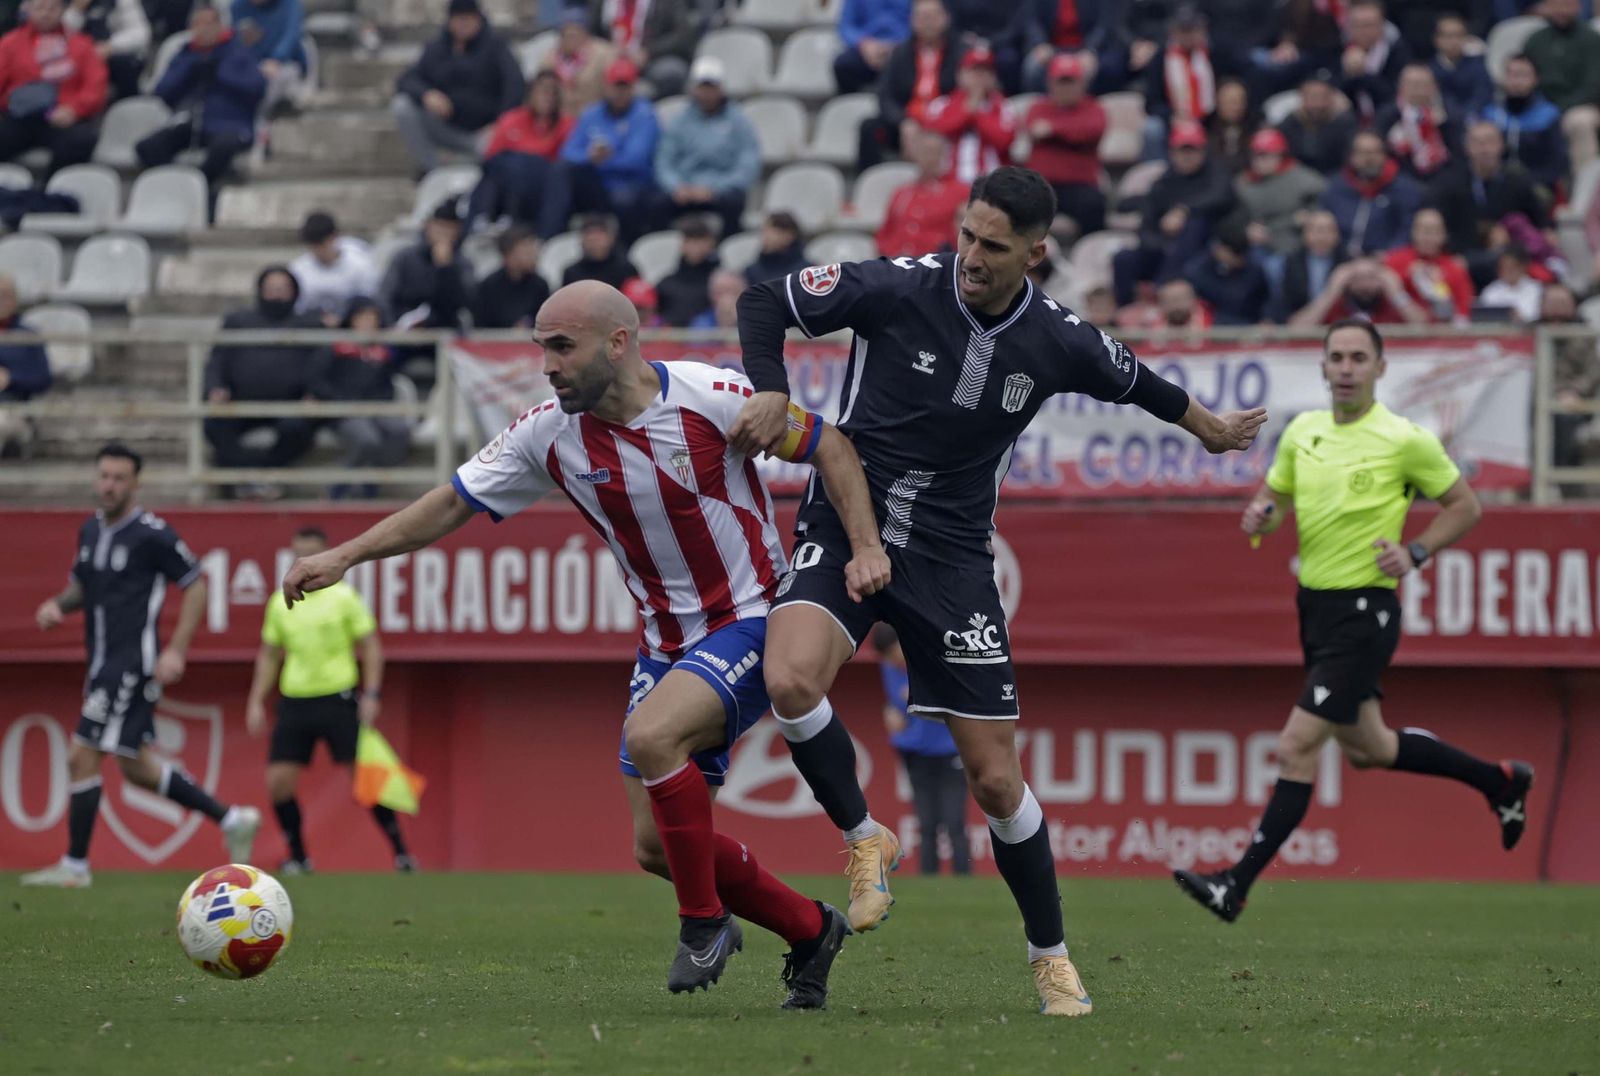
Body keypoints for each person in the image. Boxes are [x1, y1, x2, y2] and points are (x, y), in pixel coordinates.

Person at [727, 166, 1267, 1016]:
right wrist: (770, 387)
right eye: (967, 235)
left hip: (952, 560)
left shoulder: (1056, 338)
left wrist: (1210, 430)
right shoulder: (896, 286)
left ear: (1036, 254)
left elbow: (1138, 381)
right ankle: (864, 835)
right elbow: (765, 300)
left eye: (994, 246)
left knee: (994, 779)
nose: (971, 256)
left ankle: (1050, 957)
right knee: (788, 677)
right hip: (848, 517)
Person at [281, 279, 886, 1007]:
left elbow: (832, 448)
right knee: (656, 848)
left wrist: (864, 549)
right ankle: (808, 928)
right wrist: (344, 556)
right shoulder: (547, 431)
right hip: (663, 644)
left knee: (654, 737)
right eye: (542, 350)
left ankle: (704, 923)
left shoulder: (713, 395)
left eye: (562, 347)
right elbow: (450, 504)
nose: (548, 365)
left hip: (754, 614)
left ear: (619, 342)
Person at [1174, 320, 1533, 922]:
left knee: (1296, 745)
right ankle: (1501, 782)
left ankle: (1234, 885)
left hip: (1367, 609)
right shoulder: (1304, 432)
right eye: (1336, 356)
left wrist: (1415, 552)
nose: (1345, 367)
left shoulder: (1403, 438)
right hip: (1315, 608)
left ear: (1380, 368)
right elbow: (1274, 496)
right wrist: (1262, 515)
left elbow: (1464, 505)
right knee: (1370, 748)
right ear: (1323, 367)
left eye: (1357, 357)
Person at [21, 444, 262, 888]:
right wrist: (58, 605)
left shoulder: (152, 534)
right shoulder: (90, 531)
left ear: (136, 484)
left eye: (118, 478)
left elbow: (195, 584)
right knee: (137, 767)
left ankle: (75, 867)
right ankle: (232, 819)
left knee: (81, 756)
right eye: (104, 476)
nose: (109, 485)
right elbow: (83, 584)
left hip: (128, 665)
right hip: (100, 662)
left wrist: (178, 649)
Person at [246, 524, 413, 871]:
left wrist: (372, 693)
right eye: (296, 554)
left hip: (337, 699)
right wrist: (255, 699)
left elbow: (370, 646)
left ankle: (400, 852)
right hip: (295, 700)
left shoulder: (344, 598)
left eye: (308, 554)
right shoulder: (280, 602)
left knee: (365, 780)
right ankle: (299, 858)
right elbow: (269, 654)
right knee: (278, 783)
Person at [204, 266, 321, 489]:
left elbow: (322, 365)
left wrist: (314, 393)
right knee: (214, 423)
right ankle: (246, 477)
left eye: (283, 288)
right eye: (271, 288)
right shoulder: (237, 322)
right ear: (260, 290)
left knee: (298, 429)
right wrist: (215, 387)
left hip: (291, 405)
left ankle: (262, 475)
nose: (277, 293)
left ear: (294, 291)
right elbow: (217, 360)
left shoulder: (310, 324)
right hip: (240, 402)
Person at [874, 624, 970, 876]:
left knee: (954, 822)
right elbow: (896, 704)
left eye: (893, 652)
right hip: (914, 751)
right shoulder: (888, 667)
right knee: (926, 823)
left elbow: (955, 694)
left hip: (949, 750)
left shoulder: (932, 658)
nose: (891, 660)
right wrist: (891, 712)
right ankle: (929, 880)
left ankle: (965, 881)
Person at [391, 0, 524, 178]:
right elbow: (406, 79)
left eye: (468, 18)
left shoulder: (496, 47)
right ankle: (432, 171)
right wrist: (426, 94)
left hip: (484, 132)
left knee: (497, 160)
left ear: (478, 19)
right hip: (446, 126)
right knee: (403, 106)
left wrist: (500, 123)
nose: (463, 24)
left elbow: (515, 86)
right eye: (459, 19)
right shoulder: (437, 47)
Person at [137, 3, 265, 187]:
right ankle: (176, 185)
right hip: (193, 122)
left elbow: (258, 88)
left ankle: (200, 185)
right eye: (198, 24)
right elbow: (162, 91)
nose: (204, 29)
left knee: (223, 148)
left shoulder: (237, 52)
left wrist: (221, 74)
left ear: (220, 26)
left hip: (231, 124)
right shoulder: (186, 54)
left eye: (209, 23)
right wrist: (189, 71)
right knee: (148, 147)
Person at [1111, 119, 1236, 305]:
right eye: (1182, 150)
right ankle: (1124, 314)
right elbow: (1147, 222)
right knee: (1123, 259)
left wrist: (1184, 210)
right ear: (1172, 152)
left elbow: (1222, 196)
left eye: (1192, 150)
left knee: (1194, 224)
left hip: (1203, 252)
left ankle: (1165, 288)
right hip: (1162, 249)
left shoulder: (1215, 175)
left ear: (1203, 151)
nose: (1187, 156)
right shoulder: (1165, 182)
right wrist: (1160, 244)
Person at [306, 296, 408, 494]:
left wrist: (380, 404)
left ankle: (372, 480)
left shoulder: (384, 353)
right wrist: (340, 401)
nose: (368, 323)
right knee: (367, 439)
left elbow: (388, 385)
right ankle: (339, 485)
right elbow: (315, 380)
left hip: (376, 409)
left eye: (373, 318)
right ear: (352, 319)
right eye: (363, 317)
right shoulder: (334, 348)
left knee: (399, 431)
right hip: (342, 410)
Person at [650, 56, 758, 241]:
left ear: (721, 88)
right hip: (685, 190)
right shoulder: (680, 120)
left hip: (719, 191)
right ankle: (669, 250)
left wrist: (715, 188)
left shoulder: (738, 121)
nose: (707, 93)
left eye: (711, 87)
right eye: (702, 87)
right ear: (694, 89)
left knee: (734, 203)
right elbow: (664, 160)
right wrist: (676, 186)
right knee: (654, 204)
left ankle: (726, 249)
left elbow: (748, 163)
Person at [1429, 122, 1548, 284]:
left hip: (1509, 260)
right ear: (1467, 147)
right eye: (1478, 143)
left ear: (1501, 145)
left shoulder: (1519, 182)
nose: (1485, 149)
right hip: (1463, 257)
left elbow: (1540, 225)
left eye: (1490, 142)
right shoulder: (1449, 184)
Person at [0, 0, 108, 175]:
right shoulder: (9, 43)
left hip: (64, 119)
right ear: (28, 10)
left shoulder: (82, 44)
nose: (46, 13)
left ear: (62, 11)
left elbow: (95, 87)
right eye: (40, 8)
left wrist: (75, 110)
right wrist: (12, 103)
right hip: (21, 118)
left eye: (52, 8)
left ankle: (50, 192)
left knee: (82, 139)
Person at [560, 57, 659, 242]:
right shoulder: (592, 113)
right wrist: (589, 156)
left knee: (624, 200)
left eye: (625, 87)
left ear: (633, 88)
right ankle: (551, 236)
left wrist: (604, 159)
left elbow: (637, 160)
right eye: (616, 86)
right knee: (562, 173)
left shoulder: (645, 114)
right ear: (606, 87)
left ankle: (626, 248)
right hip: (596, 182)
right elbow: (568, 152)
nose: (620, 93)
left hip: (631, 184)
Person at [470, 70, 575, 239]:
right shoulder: (511, 119)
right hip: (507, 184)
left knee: (518, 164)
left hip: (542, 188)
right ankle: (482, 218)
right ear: (531, 93)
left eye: (553, 92)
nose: (548, 97)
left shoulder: (567, 125)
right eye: (543, 91)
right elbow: (491, 160)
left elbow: (562, 164)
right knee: (495, 173)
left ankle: (503, 217)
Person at [859, 0, 960, 171]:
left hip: (947, 122)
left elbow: (964, 94)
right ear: (912, 20)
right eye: (921, 16)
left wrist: (939, 123)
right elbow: (885, 95)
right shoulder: (900, 53)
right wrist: (903, 121)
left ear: (946, 18)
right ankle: (867, 180)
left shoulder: (961, 51)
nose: (927, 22)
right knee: (870, 127)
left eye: (933, 16)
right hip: (908, 122)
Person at [1022, 53, 1106, 237]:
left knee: (1094, 204)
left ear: (1082, 84)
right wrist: (1069, 133)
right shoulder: (1039, 107)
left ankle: (1089, 258)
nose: (1066, 88)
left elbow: (1091, 131)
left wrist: (1054, 130)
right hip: (1043, 185)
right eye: (1061, 82)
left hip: (1079, 186)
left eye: (1071, 82)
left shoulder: (1093, 108)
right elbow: (1033, 129)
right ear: (1050, 84)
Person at [1522, 0, 1600, 174]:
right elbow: (1526, 75)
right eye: (1556, 5)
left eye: (1567, 5)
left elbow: (1593, 85)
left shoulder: (1591, 39)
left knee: (1579, 122)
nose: (1562, 11)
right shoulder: (1536, 39)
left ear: (1578, 7)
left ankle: (1585, 188)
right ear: (1547, 7)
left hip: (1582, 106)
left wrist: (1560, 108)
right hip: (1541, 105)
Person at [922, 46, 1016, 184]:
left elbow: (1004, 141)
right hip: (947, 181)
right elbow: (935, 133)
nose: (979, 77)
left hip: (990, 184)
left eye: (985, 72)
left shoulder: (1003, 107)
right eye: (974, 71)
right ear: (960, 75)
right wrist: (966, 113)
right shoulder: (941, 104)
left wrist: (977, 114)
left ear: (993, 77)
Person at [381, 199, 476, 333]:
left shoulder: (462, 263)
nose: (443, 233)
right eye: (439, 227)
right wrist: (391, 324)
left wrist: (445, 269)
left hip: (446, 332)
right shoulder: (405, 258)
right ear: (428, 226)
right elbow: (385, 295)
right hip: (406, 332)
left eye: (449, 229)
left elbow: (465, 302)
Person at [1321, 131, 1421, 257]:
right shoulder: (1336, 188)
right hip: (1340, 260)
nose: (1369, 159)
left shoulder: (1403, 189)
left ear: (1385, 155)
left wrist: (1390, 255)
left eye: (1375, 152)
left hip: (1386, 261)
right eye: (1362, 153)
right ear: (1352, 156)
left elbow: (1407, 230)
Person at [1234, 128, 1328, 261]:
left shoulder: (1302, 179)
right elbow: (1232, 217)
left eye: (1265, 155)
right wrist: (1245, 229)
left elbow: (1323, 201)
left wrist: (1308, 216)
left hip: (1291, 246)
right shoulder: (1243, 182)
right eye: (1255, 155)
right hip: (1253, 246)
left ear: (1280, 155)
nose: (1259, 160)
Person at [1481, 55, 1569, 195]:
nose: (1517, 81)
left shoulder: (1547, 115)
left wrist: (1527, 181)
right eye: (1512, 75)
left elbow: (1557, 163)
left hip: (1536, 184)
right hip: (1496, 184)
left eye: (1523, 75)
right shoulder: (1492, 113)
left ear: (1536, 79)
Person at [1142, 4, 1216, 157]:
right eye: (1183, 30)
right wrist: (1172, 116)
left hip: (1210, 117)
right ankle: (1158, 174)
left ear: (1203, 30)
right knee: (1152, 129)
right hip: (1174, 120)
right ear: (1172, 32)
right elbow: (1150, 103)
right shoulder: (1160, 58)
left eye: (1193, 30)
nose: (1188, 36)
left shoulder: (1216, 55)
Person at [585, 0, 700, 98]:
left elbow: (682, 36)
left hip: (650, 62)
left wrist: (649, 52)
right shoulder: (600, 3)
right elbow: (591, 33)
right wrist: (608, 51)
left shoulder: (665, 3)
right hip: (608, 61)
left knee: (671, 71)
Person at [1381, 208, 1472, 323]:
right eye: (1424, 231)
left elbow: (1463, 311)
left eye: (1435, 231)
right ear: (1413, 232)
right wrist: (1409, 276)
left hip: (1442, 333)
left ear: (1444, 235)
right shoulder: (1394, 261)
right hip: (1399, 331)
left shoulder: (1454, 267)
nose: (1429, 237)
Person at [289, 210, 378, 326]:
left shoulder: (360, 265)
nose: (318, 250)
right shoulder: (298, 270)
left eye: (322, 243)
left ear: (334, 237)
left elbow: (369, 304)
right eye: (313, 245)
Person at [231, 0, 308, 129]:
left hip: (287, 63)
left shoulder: (290, 4)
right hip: (252, 64)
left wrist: (277, 59)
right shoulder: (238, 6)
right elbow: (237, 40)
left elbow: (292, 34)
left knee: (274, 80)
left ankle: (264, 127)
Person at [1288, 255, 1426, 326]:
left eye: (1371, 277)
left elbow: (1426, 327)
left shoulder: (1393, 305)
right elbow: (1296, 330)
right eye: (1357, 278)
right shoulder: (1335, 306)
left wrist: (1397, 293)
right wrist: (1331, 292)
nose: (1364, 285)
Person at [0, 272, 51, 457]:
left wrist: (11, 379)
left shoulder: (29, 336)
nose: (2, 300)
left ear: (15, 300)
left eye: (6, 295)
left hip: (14, 408)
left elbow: (42, 378)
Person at [63, 0, 151, 102]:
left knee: (127, 66)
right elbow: (60, 35)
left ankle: (130, 108)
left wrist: (111, 46)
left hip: (113, 54)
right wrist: (76, 10)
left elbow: (142, 34)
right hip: (78, 58)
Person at [1336, 0, 1409, 123]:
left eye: (1368, 25)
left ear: (1381, 25)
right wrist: (1347, 75)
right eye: (1356, 25)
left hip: (1390, 121)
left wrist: (1363, 73)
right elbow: (1335, 89)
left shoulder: (1397, 51)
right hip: (1351, 123)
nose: (1362, 31)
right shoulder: (1339, 49)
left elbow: (1394, 95)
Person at [1183, 224, 1270, 325]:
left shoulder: (1254, 270)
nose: (1240, 259)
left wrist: (1267, 317)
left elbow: (1265, 299)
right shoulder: (1198, 272)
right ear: (1220, 250)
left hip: (1249, 325)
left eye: (1243, 254)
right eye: (1235, 254)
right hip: (1212, 324)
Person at [471, 226, 551, 330]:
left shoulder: (540, 285)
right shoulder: (489, 286)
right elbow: (480, 325)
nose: (533, 255)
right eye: (527, 250)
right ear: (508, 254)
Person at [1277, 75, 1358, 177]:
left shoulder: (1345, 124)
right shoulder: (1289, 123)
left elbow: (1349, 159)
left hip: (1335, 176)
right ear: (1302, 97)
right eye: (1312, 97)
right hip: (1295, 178)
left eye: (1323, 97)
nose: (1317, 103)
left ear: (1332, 98)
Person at [1275, 208, 1346, 322]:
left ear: (1337, 235)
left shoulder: (1346, 261)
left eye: (1329, 230)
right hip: (1300, 322)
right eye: (1318, 230)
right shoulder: (1292, 262)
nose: (1323, 236)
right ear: (1305, 234)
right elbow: (1284, 301)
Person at [537, 9, 613, 116]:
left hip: (595, 118)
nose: (570, 38)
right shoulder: (549, 59)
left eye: (575, 33)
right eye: (566, 34)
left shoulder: (604, 54)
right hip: (560, 121)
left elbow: (612, 90)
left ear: (585, 33)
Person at [834, 0, 911, 94]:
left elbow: (921, 20)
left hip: (904, 47)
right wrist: (864, 44)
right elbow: (846, 26)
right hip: (866, 48)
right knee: (843, 65)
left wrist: (901, 45)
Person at [655, 217, 719, 328]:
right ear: (682, 244)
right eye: (690, 240)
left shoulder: (721, 284)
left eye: (701, 240)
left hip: (711, 341)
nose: (696, 247)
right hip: (669, 341)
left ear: (711, 243)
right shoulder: (666, 284)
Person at [1428, 14, 1492, 117]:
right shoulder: (1429, 71)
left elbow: (1482, 96)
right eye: (1448, 36)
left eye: (1459, 36)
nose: (1454, 41)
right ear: (1437, 39)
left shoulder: (1477, 66)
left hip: (1473, 119)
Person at [562, 213, 639, 289]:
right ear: (582, 241)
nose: (595, 242)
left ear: (610, 238)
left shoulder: (627, 270)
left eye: (599, 237)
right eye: (590, 236)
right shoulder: (571, 273)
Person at [1477, 244, 1543, 323]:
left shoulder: (1537, 289)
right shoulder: (1490, 291)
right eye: (1503, 267)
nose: (1507, 271)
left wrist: (1521, 319)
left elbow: (1541, 319)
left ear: (1523, 266)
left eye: (1512, 267)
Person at [743, 211, 809, 287]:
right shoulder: (751, 272)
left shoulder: (805, 272)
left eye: (772, 231)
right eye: (764, 230)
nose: (765, 235)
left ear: (789, 235)